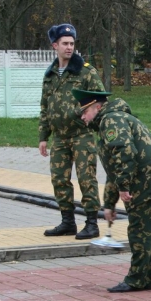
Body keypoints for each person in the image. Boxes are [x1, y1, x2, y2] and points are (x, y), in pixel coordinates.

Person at [72, 88, 151, 293]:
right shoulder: (116, 117)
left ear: (97, 107)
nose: (83, 117)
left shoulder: (110, 120)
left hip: (145, 183)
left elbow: (124, 153)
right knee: (150, 232)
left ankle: (136, 279)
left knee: (139, 232)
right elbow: (115, 167)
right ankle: (148, 278)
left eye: (84, 112)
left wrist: (124, 187)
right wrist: (109, 204)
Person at [39, 23, 104, 240]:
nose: (69, 47)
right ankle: (67, 221)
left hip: (81, 135)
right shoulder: (50, 75)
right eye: (65, 43)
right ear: (54, 45)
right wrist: (43, 137)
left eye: (72, 43)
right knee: (59, 179)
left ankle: (92, 223)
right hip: (59, 137)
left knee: (87, 178)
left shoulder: (85, 71)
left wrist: (83, 113)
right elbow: (45, 107)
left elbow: (100, 99)